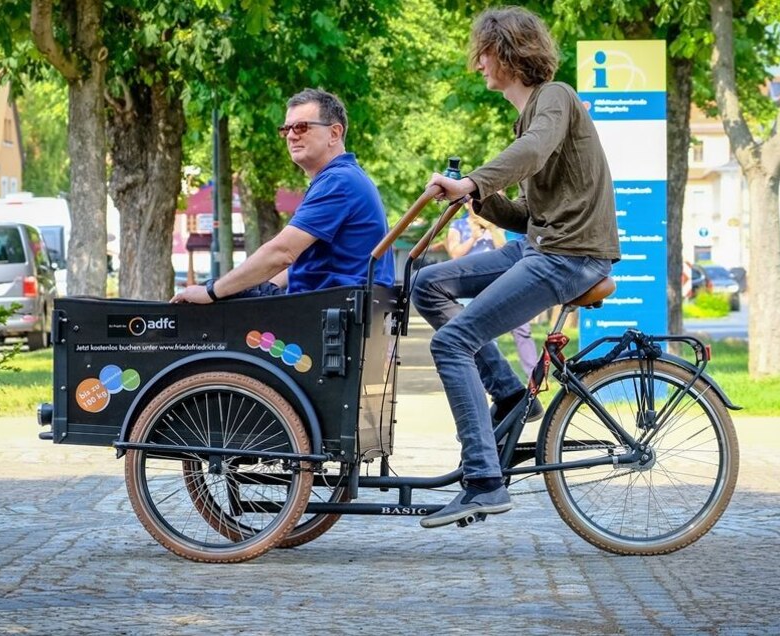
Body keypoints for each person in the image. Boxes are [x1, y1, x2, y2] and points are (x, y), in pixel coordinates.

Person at [412, 6, 619, 529]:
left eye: (482, 52)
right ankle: (509, 394)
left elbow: (532, 150)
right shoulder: (529, 114)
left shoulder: (556, 98)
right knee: (428, 283)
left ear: (506, 50)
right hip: (540, 246)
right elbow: (530, 215)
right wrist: (477, 203)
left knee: (450, 342)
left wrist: (475, 182)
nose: (477, 63)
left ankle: (483, 482)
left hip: (568, 254)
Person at [171, 88, 394, 304]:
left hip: (326, 316)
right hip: (330, 306)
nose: (291, 136)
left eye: (301, 127)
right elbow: (298, 265)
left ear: (334, 133)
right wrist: (253, 288)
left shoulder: (338, 182)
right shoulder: (343, 177)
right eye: (286, 129)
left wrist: (211, 291)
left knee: (206, 318)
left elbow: (282, 252)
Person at [446, 202, 539, 379]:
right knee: (482, 334)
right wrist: (473, 237)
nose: (477, 205)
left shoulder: (495, 226)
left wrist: (491, 228)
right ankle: (491, 377)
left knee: (522, 328)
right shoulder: (458, 225)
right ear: (466, 205)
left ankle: (534, 376)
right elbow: (454, 253)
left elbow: (506, 249)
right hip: (469, 284)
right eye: (473, 202)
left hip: (501, 281)